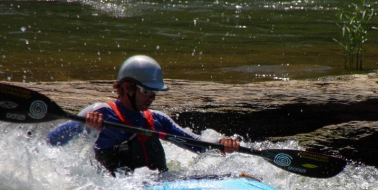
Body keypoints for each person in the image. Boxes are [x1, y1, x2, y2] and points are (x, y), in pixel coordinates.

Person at [47, 55, 239, 174]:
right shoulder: (99, 113)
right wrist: (88, 129)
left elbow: (196, 144)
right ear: (128, 88)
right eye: (147, 91)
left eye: (154, 92)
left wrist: (222, 144)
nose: (152, 98)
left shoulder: (158, 119)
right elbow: (51, 143)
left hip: (156, 185)